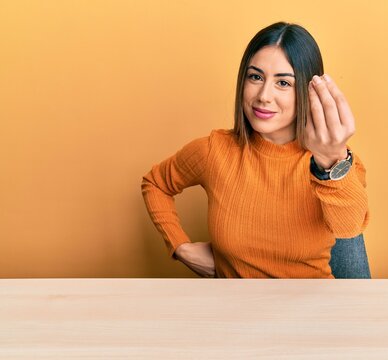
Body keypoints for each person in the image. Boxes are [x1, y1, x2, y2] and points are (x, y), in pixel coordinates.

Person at [141, 21, 370, 278]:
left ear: (309, 90)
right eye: (256, 77)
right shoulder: (214, 150)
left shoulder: (337, 162)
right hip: (237, 312)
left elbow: (349, 229)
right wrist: (180, 246)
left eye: (283, 83)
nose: (263, 95)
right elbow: (155, 183)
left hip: (312, 312)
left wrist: (330, 161)